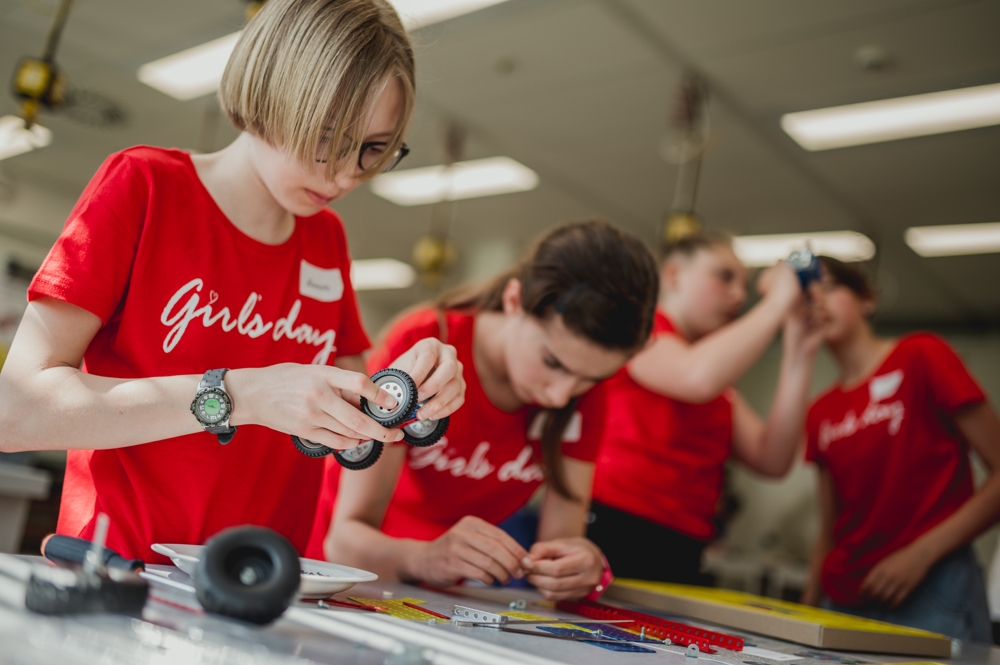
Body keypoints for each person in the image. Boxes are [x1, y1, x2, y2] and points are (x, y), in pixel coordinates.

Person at [0, 0, 465, 563]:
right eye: (325, 138)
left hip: (265, 580)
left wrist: (410, 395)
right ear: (270, 95)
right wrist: (240, 395)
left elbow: (348, 416)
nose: (345, 175)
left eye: (372, 150)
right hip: (121, 567)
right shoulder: (144, 186)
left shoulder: (326, 239)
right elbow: (16, 412)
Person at [306, 220, 659, 600]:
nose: (561, 395)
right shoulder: (425, 347)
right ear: (513, 301)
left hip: (437, 598)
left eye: (591, 377)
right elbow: (343, 542)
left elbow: (560, 547)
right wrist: (426, 558)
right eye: (553, 362)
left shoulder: (584, 398)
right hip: (337, 583)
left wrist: (580, 566)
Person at [587, 231, 823, 584]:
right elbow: (694, 378)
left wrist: (799, 352)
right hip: (616, 527)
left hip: (683, 541)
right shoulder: (639, 331)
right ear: (673, 275)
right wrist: (776, 302)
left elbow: (772, 459)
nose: (739, 295)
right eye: (724, 276)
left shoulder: (714, 375)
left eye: (743, 283)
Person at [800, 257, 999, 642]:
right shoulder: (820, 411)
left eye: (829, 288)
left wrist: (920, 555)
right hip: (844, 597)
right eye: (806, 299)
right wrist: (807, 606)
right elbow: (829, 530)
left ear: (867, 299)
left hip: (930, 587)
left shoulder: (922, 355)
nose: (818, 304)